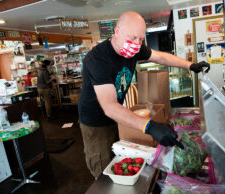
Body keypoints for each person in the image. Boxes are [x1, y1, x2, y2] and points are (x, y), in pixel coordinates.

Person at [78, 11, 210, 178]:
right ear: (117, 31)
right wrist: (150, 126)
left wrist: (190, 66)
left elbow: (161, 57)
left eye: (140, 39)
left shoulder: (136, 48)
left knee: (118, 158)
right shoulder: (97, 59)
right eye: (132, 37)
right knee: (103, 168)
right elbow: (109, 106)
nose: (136, 43)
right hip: (95, 121)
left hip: (115, 116)